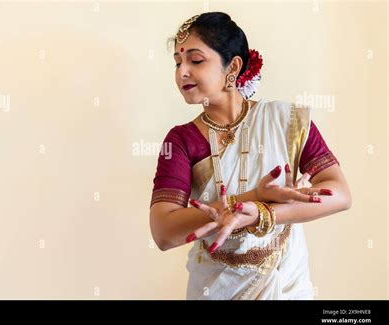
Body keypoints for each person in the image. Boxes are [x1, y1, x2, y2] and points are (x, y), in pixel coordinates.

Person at [149, 12, 352, 300]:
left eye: (195, 60)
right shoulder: (182, 140)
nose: (182, 72)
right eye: (177, 63)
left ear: (232, 66)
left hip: (286, 286)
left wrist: (264, 213)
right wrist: (249, 200)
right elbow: (163, 232)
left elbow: (341, 194)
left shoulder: (286, 121)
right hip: (215, 289)